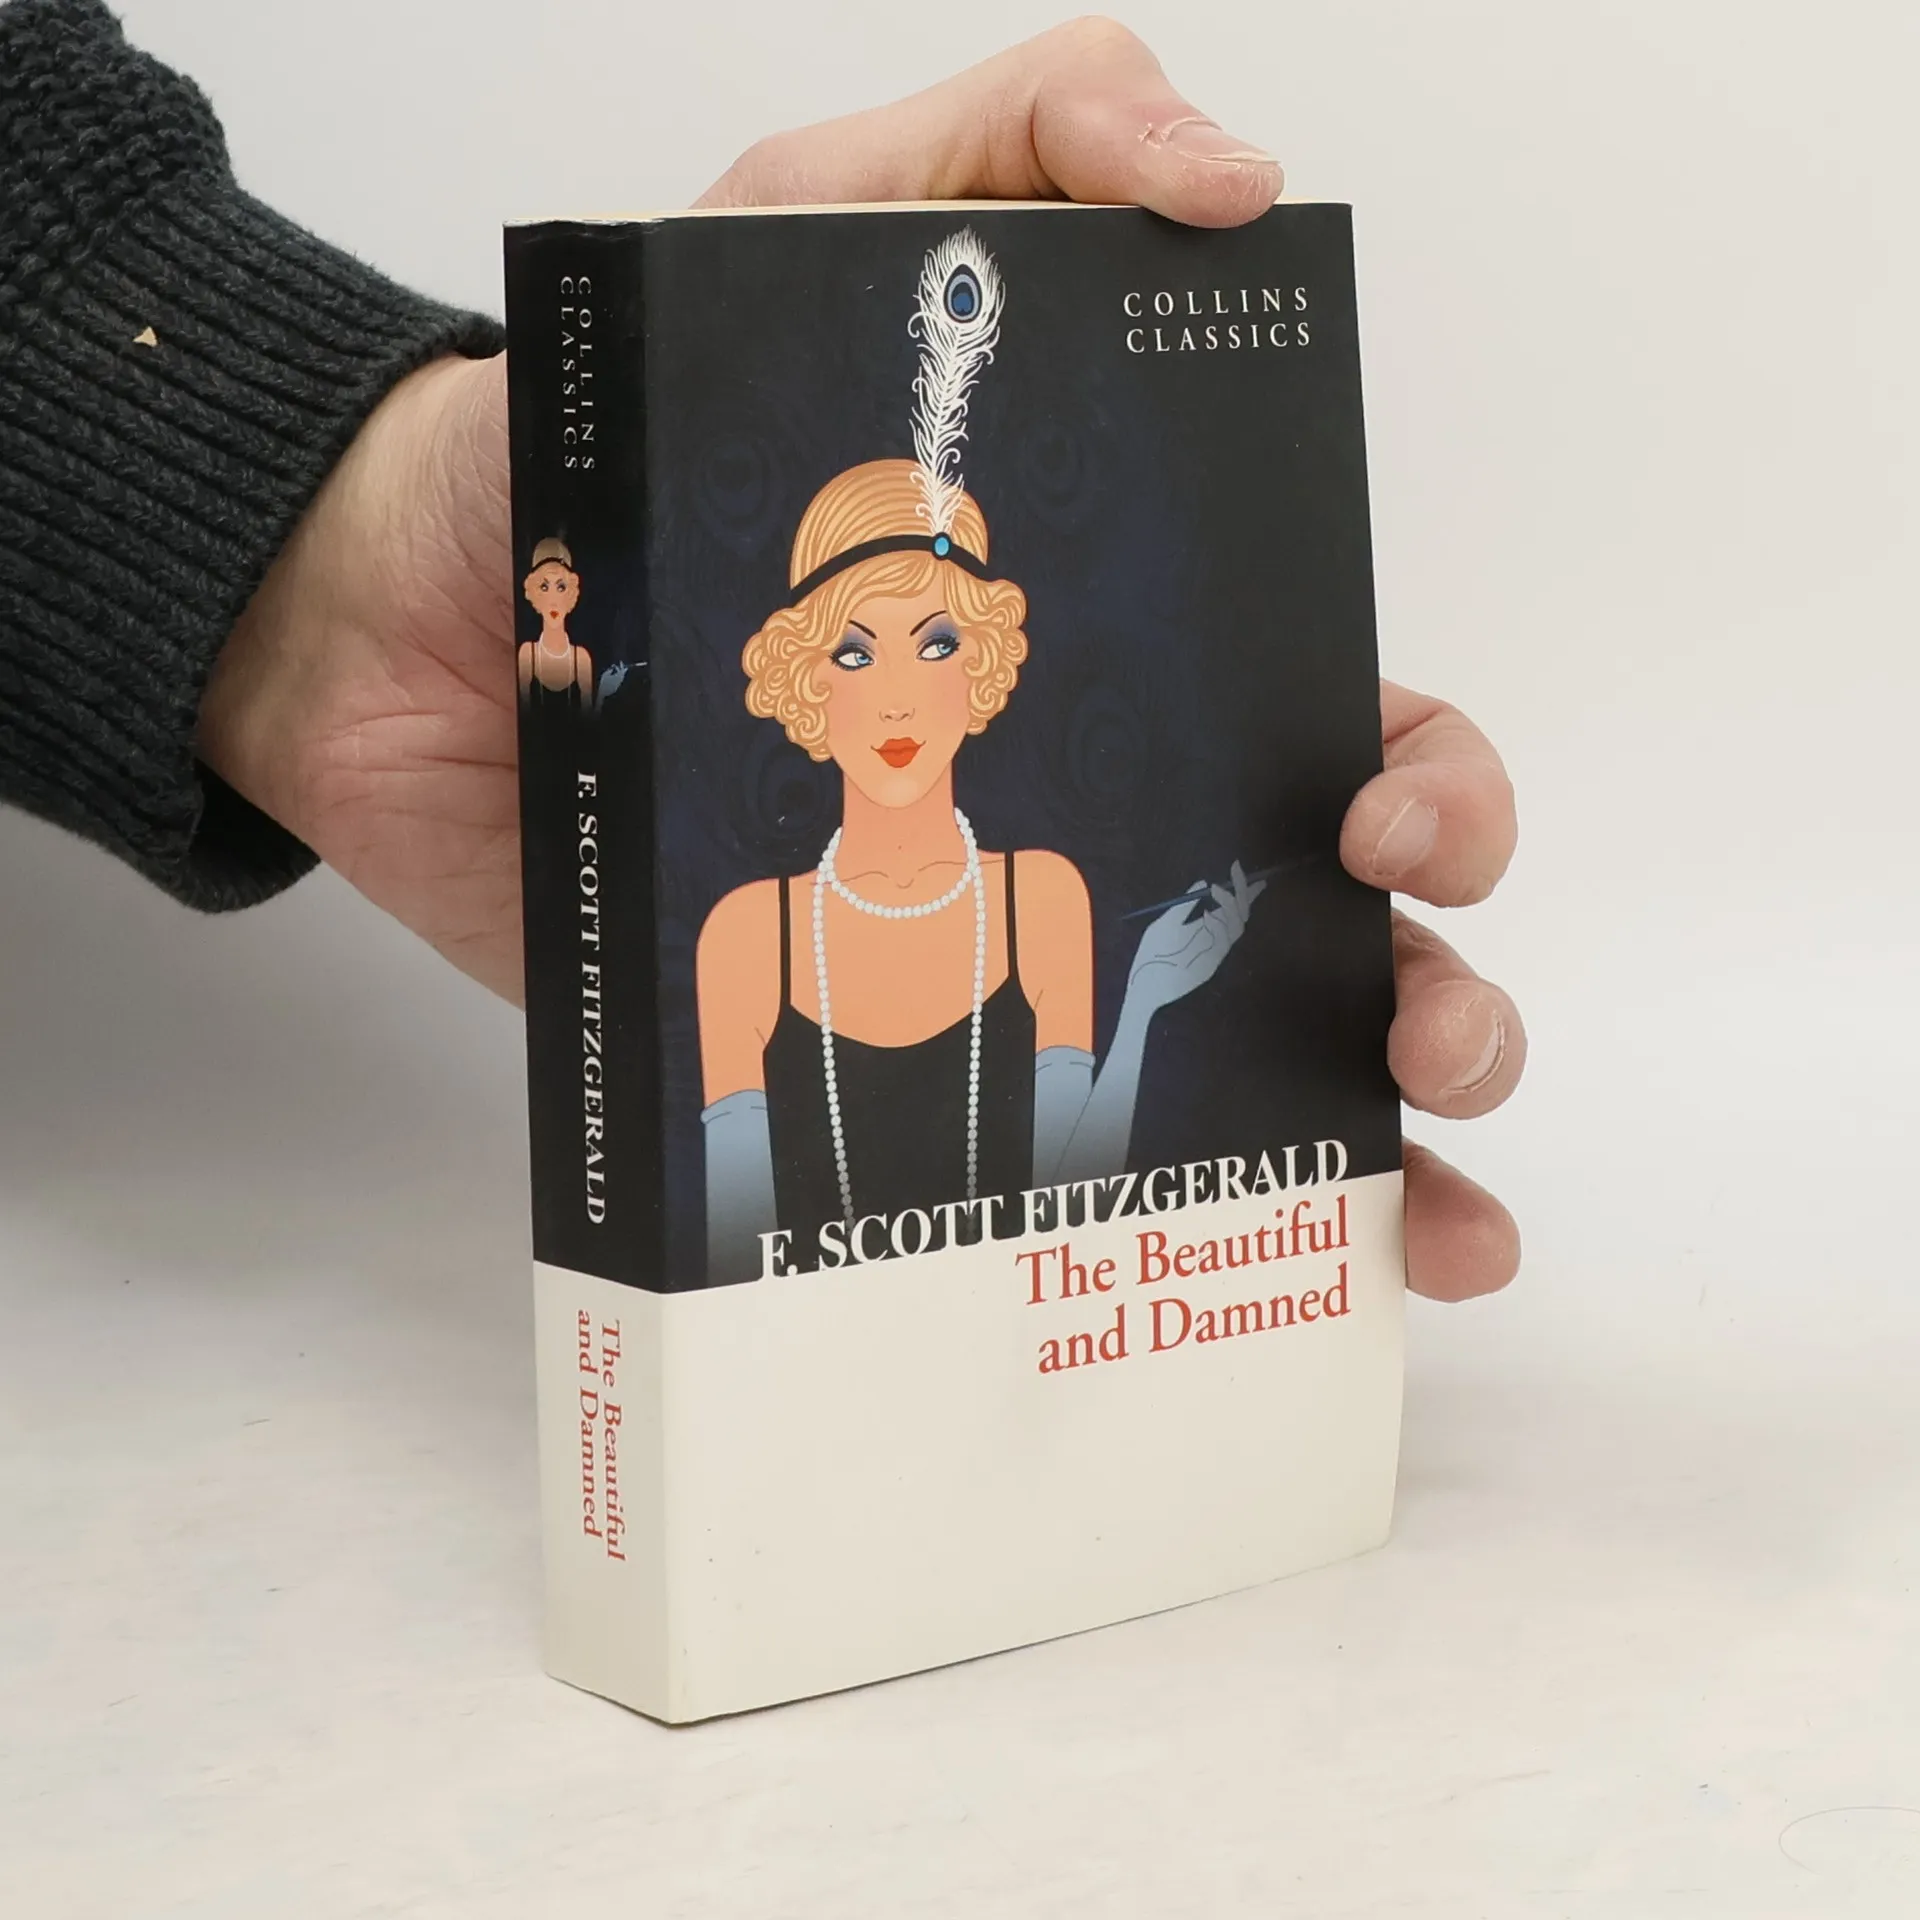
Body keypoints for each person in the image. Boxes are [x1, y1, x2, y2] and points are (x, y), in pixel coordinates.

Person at [0, 0, 1526, 1303]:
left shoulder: (1046, 907)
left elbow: (1074, 1212)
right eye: (851, 655)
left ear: (986, 668)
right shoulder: (748, 939)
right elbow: (738, 1249)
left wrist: (1147, 1008)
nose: (899, 690)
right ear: (799, 687)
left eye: (935, 641)